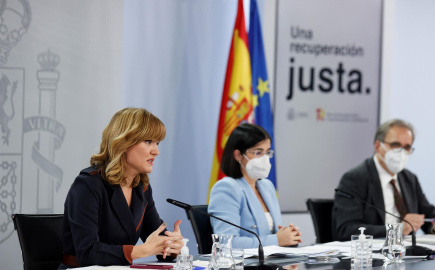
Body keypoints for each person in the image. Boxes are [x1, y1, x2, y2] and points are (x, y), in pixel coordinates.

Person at [59, 108, 184, 268]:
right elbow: (88, 253)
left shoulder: (142, 187)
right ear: (124, 142)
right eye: (148, 141)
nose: (156, 151)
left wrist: (171, 246)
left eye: (157, 143)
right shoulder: (88, 184)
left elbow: (156, 240)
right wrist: (141, 251)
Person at [332, 119, 435, 241]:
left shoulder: (409, 179)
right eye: (395, 145)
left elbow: (428, 218)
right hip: (372, 254)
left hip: (408, 254)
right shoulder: (355, 179)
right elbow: (345, 230)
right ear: (378, 146)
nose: (401, 153)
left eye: (407, 147)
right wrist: (396, 229)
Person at [208, 123, 302, 249]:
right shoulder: (227, 188)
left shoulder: (267, 187)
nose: (265, 158)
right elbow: (226, 244)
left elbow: (273, 235)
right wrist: (277, 240)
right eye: (258, 152)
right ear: (238, 155)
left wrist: (289, 236)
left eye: (267, 152)